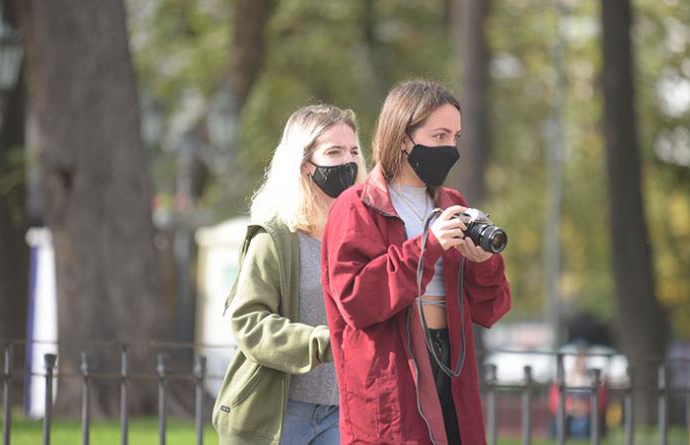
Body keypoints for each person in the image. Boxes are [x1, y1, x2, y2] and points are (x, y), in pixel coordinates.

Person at [320, 79, 511, 444]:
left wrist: (483, 262)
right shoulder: (357, 205)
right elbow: (356, 300)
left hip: (451, 362)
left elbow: (492, 308)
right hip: (393, 369)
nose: (450, 147)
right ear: (403, 137)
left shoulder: (452, 201)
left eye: (455, 136)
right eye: (439, 136)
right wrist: (429, 245)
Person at [212, 104, 367, 445]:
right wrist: (323, 343)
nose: (349, 162)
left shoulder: (359, 235)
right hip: (281, 413)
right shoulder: (274, 237)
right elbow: (248, 322)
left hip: (342, 411)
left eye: (354, 151)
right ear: (304, 165)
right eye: (334, 152)